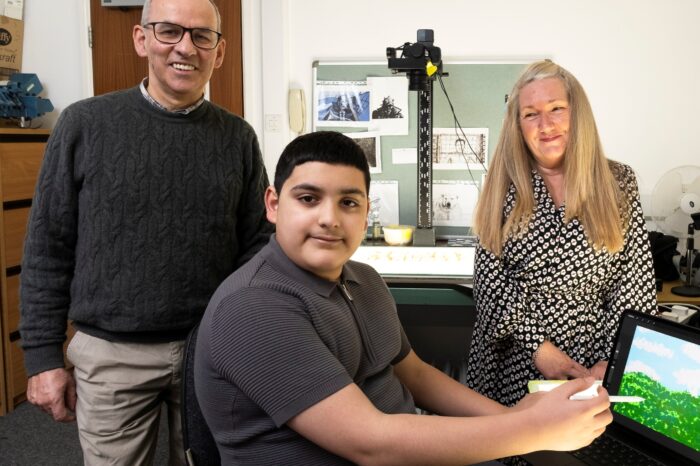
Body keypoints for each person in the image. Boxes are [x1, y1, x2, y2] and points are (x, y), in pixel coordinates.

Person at [194, 130, 612, 465]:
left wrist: (515, 417)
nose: (329, 218)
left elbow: (416, 376)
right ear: (273, 204)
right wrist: (534, 429)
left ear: (366, 214)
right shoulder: (252, 307)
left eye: (348, 202)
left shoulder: (365, 280)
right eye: (308, 199)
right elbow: (371, 444)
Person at [19, 0, 272, 464]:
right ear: (141, 39)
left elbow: (256, 244)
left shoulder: (238, 138)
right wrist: (43, 357)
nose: (185, 48)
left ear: (218, 52)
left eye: (201, 36)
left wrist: (240, 334)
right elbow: (47, 246)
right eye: (169, 31)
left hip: (208, 351)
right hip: (111, 354)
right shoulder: (84, 124)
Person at [465, 60, 657, 407]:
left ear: (577, 113)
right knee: (515, 438)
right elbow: (490, 282)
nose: (546, 125)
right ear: (518, 125)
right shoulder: (502, 185)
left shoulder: (618, 182)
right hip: (513, 356)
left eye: (556, 109)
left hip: (592, 359)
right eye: (531, 114)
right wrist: (539, 348)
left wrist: (612, 359)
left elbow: (634, 283)